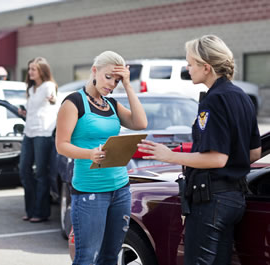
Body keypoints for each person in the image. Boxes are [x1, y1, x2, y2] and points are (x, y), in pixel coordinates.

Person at [138, 35, 262, 264]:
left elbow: (216, 159)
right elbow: (254, 153)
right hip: (234, 198)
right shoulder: (242, 97)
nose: (188, 68)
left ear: (206, 67)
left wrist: (170, 155)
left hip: (212, 201)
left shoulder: (213, 100)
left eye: (191, 63)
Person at [56, 50, 147, 265]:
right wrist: (89, 154)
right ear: (94, 71)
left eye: (116, 80)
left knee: (110, 257)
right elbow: (61, 145)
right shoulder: (74, 102)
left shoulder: (112, 104)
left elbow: (141, 123)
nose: (111, 84)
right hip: (90, 190)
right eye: (108, 77)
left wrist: (128, 85)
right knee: (87, 257)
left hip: (120, 189)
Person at [19, 57, 58, 223]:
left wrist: (52, 98)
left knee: (41, 173)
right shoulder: (32, 89)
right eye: (29, 69)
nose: (30, 72)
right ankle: (30, 209)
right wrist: (24, 113)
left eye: (33, 69)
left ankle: (41, 212)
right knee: (24, 170)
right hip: (29, 133)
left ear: (42, 71)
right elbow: (31, 110)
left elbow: (53, 98)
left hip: (43, 133)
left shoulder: (48, 86)